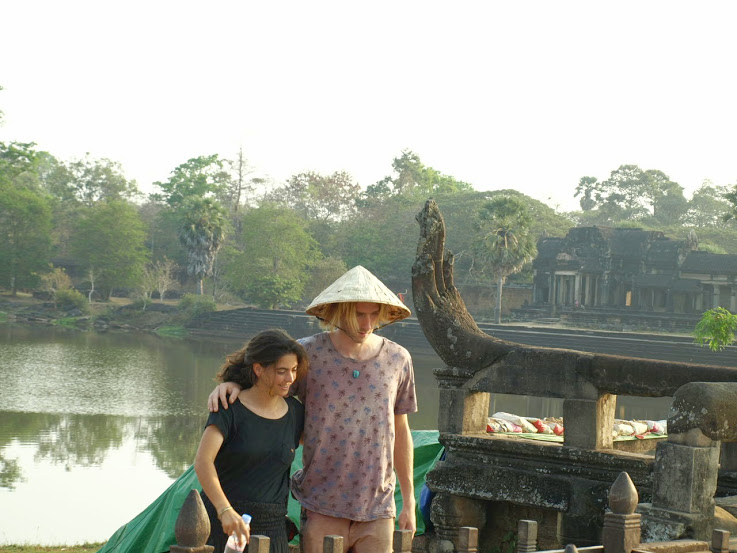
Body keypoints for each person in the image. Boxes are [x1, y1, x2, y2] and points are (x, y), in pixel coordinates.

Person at [209, 265, 417, 553]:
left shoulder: (398, 358)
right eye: (359, 314)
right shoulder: (308, 355)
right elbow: (267, 383)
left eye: (373, 314)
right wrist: (232, 384)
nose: (367, 323)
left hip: (378, 506)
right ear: (340, 312)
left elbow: (402, 432)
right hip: (322, 502)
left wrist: (409, 501)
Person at [195, 328, 307, 553]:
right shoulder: (229, 407)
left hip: (273, 528)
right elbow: (203, 462)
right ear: (258, 369)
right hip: (225, 523)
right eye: (282, 371)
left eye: (294, 370)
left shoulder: (296, 413)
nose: (290, 379)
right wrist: (224, 510)